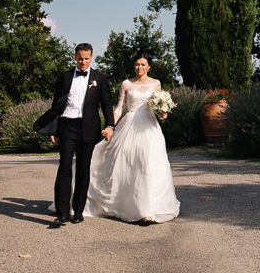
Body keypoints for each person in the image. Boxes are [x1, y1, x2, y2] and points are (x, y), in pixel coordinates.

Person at [85, 53, 180, 224]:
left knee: (149, 164)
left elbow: (158, 109)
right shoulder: (127, 84)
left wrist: (163, 113)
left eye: (143, 64)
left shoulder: (156, 83)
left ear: (149, 67)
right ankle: (130, 205)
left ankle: (149, 210)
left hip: (149, 128)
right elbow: (119, 108)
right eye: (137, 64)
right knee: (128, 164)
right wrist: (110, 126)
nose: (139, 68)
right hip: (129, 125)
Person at [33, 42, 115, 226]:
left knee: (83, 169)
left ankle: (78, 211)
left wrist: (110, 125)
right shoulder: (64, 77)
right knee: (64, 167)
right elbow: (56, 105)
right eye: (79, 58)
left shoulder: (100, 78)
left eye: (86, 59)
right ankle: (63, 212)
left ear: (91, 57)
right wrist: (52, 129)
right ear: (75, 57)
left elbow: (107, 105)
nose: (83, 62)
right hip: (66, 126)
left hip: (89, 128)